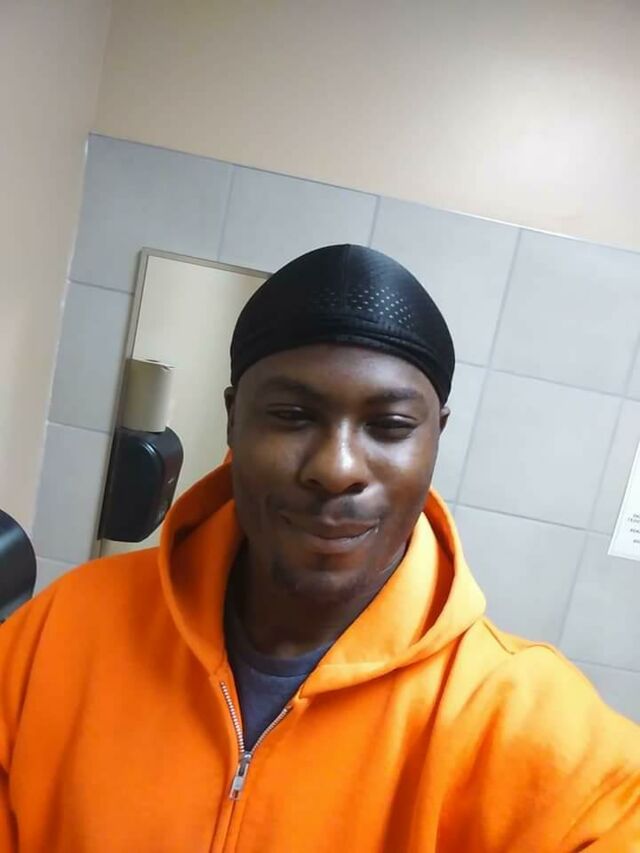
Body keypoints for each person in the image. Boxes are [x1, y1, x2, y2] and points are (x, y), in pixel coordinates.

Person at [0, 244, 638, 852]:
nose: (336, 469)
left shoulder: (519, 716)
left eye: (389, 426)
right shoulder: (64, 629)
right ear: (234, 419)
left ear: (435, 437)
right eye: (292, 415)